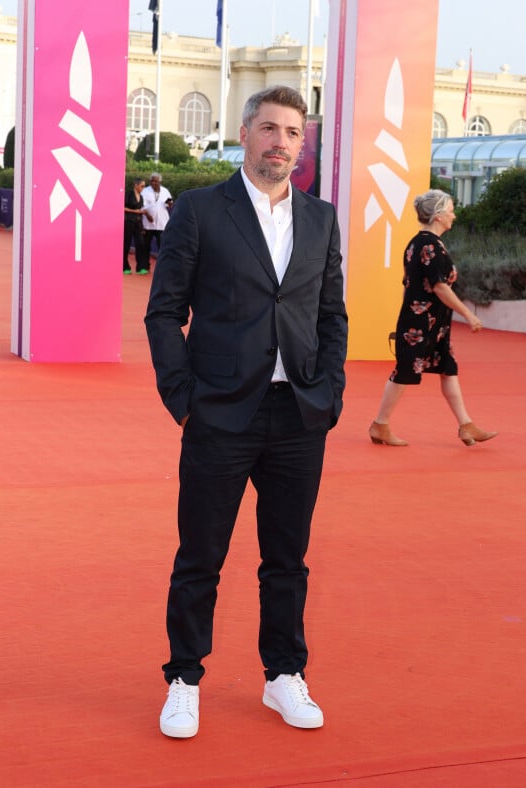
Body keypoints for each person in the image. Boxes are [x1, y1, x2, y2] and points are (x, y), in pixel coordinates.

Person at [145, 86, 348, 738]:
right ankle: (183, 678)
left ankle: (284, 674)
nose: (281, 142)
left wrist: (331, 392)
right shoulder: (204, 210)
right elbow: (163, 312)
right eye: (269, 128)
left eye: (293, 132)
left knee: (288, 558)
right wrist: (184, 401)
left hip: (299, 416)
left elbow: (331, 315)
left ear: (301, 145)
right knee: (201, 555)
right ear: (244, 133)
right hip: (220, 415)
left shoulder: (321, 218)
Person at [368, 189, 498, 447]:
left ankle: (466, 425)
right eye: (450, 210)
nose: (454, 215)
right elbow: (439, 286)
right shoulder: (428, 246)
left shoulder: (424, 243)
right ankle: (380, 424)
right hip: (419, 324)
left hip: (432, 323)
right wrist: (469, 314)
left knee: (448, 369)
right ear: (438, 216)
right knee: (405, 372)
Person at [141, 172, 173, 272]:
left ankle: (163, 268)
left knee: (162, 247)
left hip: (162, 224)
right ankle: (145, 266)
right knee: (145, 246)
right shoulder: (145, 191)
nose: (154, 183)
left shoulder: (165, 191)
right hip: (148, 224)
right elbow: (141, 206)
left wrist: (170, 204)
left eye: (156, 181)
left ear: (160, 181)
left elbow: (169, 203)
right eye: (152, 181)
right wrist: (147, 215)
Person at [123, 177, 148, 274]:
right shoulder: (128, 194)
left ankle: (140, 267)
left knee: (140, 244)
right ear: (136, 185)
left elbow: (140, 210)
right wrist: (135, 211)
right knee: (126, 245)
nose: (143, 188)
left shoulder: (141, 197)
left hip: (138, 223)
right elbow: (122, 207)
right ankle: (125, 267)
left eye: (144, 186)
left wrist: (141, 213)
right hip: (128, 222)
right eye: (142, 186)